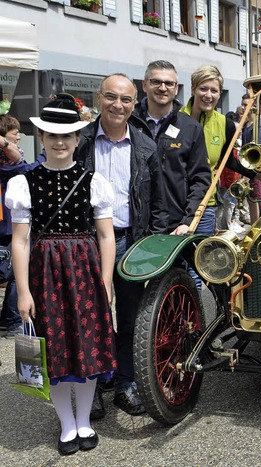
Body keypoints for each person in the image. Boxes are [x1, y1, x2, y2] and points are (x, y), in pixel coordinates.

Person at [6, 94, 118, 455]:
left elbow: (105, 235)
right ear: (40, 138)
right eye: (52, 135)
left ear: (77, 139)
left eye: (66, 135)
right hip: (45, 276)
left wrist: (105, 281)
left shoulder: (93, 181)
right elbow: (20, 242)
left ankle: (84, 420)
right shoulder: (24, 183)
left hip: (84, 272)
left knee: (84, 351)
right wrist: (23, 292)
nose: (59, 142)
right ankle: (67, 425)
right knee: (53, 352)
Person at [77, 73, 168, 419]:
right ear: (99, 99)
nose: (118, 105)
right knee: (93, 317)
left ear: (134, 103)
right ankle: (97, 385)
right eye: (111, 97)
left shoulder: (145, 146)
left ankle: (127, 384)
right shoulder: (80, 141)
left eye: (126, 100)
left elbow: (158, 201)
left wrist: (153, 243)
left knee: (131, 318)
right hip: (89, 243)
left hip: (131, 242)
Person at [131, 60, 211, 235]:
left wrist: (187, 220)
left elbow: (200, 179)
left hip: (175, 227)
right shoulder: (128, 124)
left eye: (169, 83)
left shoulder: (190, 128)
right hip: (134, 225)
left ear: (176, 88)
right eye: (156, 82)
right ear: (144, 85)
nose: (162, 88)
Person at [178, 65, 259, 235]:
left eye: (214, 90)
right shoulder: (176, 119)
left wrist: (255, 174)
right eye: (203, 89)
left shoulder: (225, 123)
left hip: (205, 203)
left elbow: (227, 160)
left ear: (220, 94)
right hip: (175, 203)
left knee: (200, 257)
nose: (208, 95)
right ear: (193, 89)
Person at [0, 115, 29, 339]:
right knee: (10, 271)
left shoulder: (11, 162)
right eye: (14, 133)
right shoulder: (7, 163)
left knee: (10, 271)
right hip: (5, 224)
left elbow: (20, 163)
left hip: (8, 223)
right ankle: (11, 321)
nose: (18, 136)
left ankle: (9, 320)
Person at [239, 93, 261, 224]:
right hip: (248, 170)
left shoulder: (259, 127)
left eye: (246, 105)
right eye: (242, 104)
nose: (242, 107)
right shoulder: (246, 125)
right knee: (251, 199)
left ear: (254, 107)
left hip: (257, 172)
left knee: (257, 200)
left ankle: (257, 227)